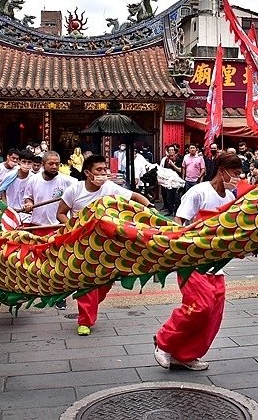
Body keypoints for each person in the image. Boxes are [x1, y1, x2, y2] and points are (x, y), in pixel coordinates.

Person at [154, 153, 242, 371]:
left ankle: (185, 355)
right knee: (200, 307)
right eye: (236, 173)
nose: (238, 177)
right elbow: (179, 222)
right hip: (191, 261)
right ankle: (163, 342)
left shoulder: (230, 199)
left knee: (213, 314)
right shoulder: (199, 191)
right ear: (222, 171)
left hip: (216, 265)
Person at [56, 155, 151, 336]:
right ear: (87, 173)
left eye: (105, 170)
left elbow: (135, 196)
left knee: (105, 281)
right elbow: (60, 213)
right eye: (99, 170)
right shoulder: (74, 190)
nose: (103, 174)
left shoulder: (109, 187)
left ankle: (89, 306)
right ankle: (85, 320)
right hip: (82, 244)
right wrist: (73, 225)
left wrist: (150, 207)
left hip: (106, 244)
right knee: (87, 281)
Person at [22, 151, 74, 226]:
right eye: (51, 164)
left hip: (59, 226)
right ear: (43, 164)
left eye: (57, 164)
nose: (54, 167)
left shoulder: (69, 181)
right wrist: (29, 203)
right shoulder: (33, 180)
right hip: (37, 226)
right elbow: (28, 197)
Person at [1, 151, 35, 221]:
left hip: (26, 214)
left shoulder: (34, 178)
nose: (26, 164)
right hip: (10, 211)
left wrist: (29, 205)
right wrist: (6, 206)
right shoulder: (10, 176)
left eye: (29, 162)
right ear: (19, 161)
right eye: (24, 161)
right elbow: (2, 191)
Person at [160, 145, 182, 215]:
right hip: (168, 181)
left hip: (176, 181)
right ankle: (170, 211)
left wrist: (172, 164)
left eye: (172, 150)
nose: (171, 151)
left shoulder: (178, 159)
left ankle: (176, 212)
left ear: (175, 151)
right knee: (168, 197)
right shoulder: (166, 160)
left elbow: (180, 170)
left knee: (176, 197)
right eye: (169, 150)